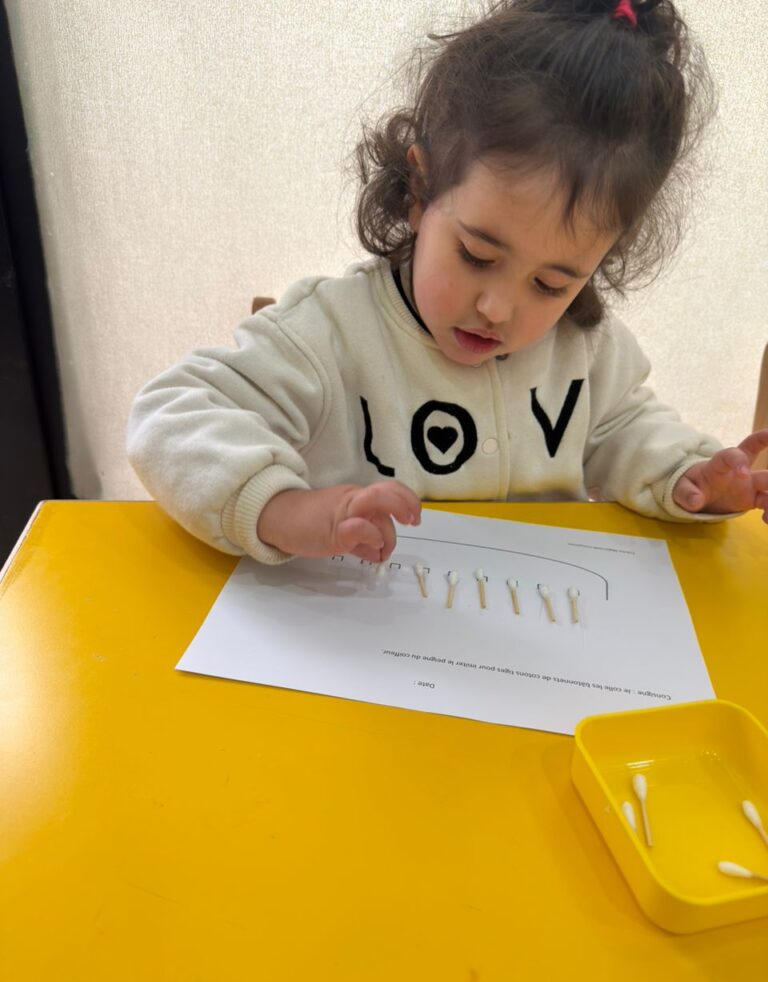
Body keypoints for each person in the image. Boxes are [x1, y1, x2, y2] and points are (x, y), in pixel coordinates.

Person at [127, 0, 768, 566]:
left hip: (537, 631)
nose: (498, 307)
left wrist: (690, 477)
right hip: (361, 629)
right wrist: (281, 508)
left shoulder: (587, 351)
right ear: (419, 189)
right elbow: (170, 416)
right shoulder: (329, 334)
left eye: (551, 284)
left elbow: (626, 431)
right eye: (477, 255)